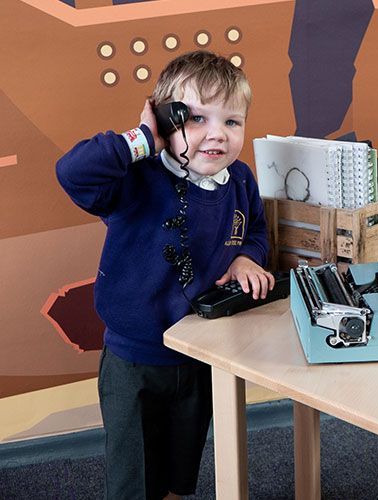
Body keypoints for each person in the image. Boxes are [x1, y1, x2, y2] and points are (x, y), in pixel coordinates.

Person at [56, 50, 274, 499]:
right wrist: (141, 140)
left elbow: (254, 229)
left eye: (232, 122)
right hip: (134, 362)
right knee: (135, 479)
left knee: (181, 470)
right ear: (164, 119)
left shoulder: (240, 181)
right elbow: (72, 173)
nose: (218, 136)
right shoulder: (137, 178)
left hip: (200, 354)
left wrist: (246, 258)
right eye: (196, 120)